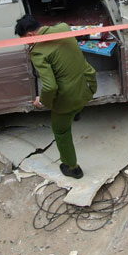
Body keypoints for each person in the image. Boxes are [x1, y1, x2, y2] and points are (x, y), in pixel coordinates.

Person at [16, 15, 97, 179]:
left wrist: (42, 101)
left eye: (25, 41)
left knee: (61, 131)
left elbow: (50, 87)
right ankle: (77, 112)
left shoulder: (38, 53)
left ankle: (72, 167)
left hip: (69, 98)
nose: (27, 44)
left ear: (30, 35)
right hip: (88, 85)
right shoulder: (63, 28)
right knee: (77, 103)